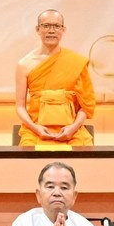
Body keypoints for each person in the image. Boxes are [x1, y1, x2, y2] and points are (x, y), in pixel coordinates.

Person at [14, 8, 96, 148]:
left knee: (83, 154)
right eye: (46, 26)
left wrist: (73, 128)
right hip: (36, 130)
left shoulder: (75, 62)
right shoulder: (24, 65)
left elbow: (86, 105)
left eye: (56, 26)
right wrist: (36, 128)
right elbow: (20, 107)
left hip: (72, 130)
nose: (51, 30)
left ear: (63, 30)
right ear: (38, 29)